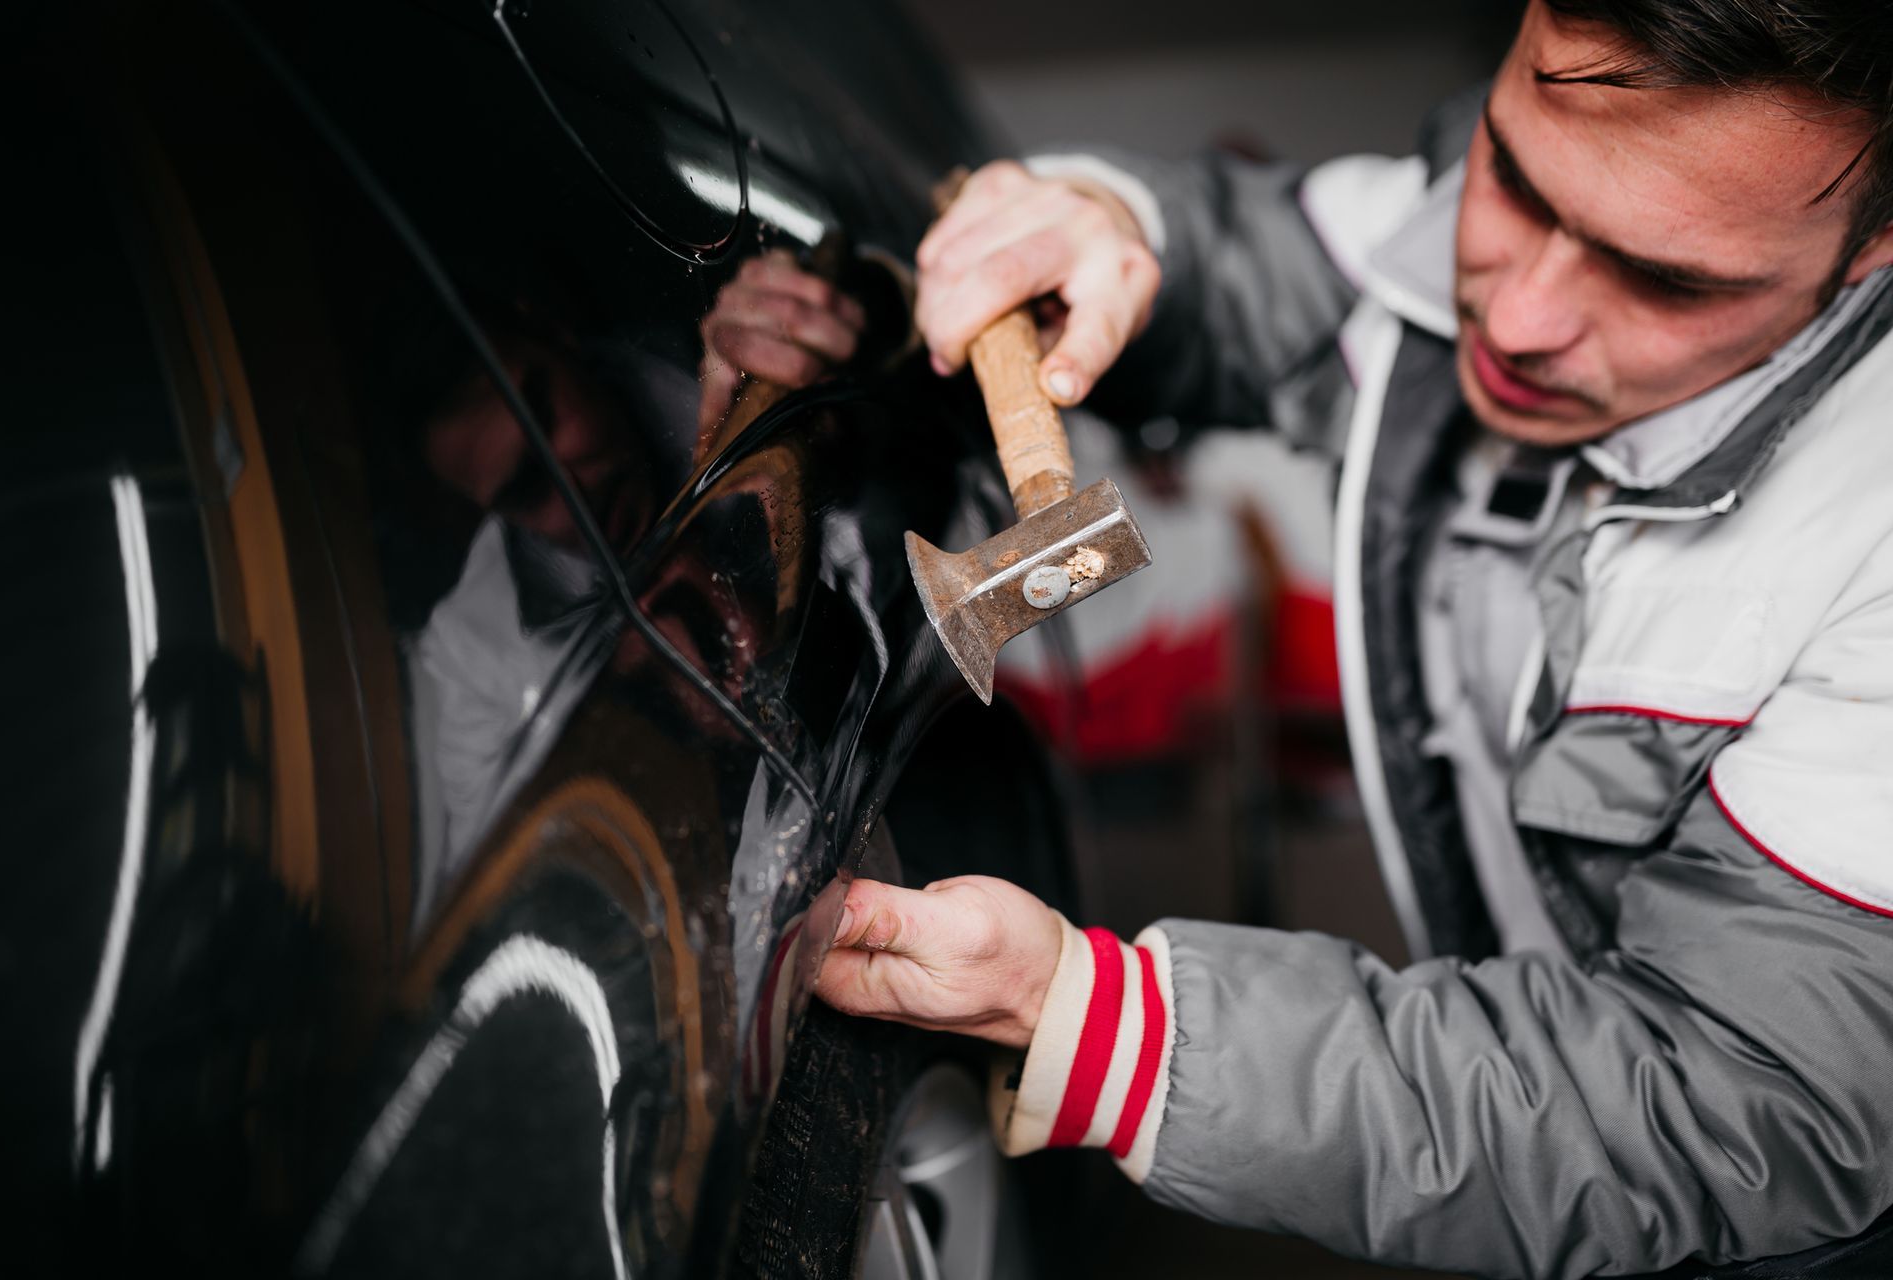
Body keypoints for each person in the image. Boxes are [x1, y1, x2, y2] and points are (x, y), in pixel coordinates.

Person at [804, 3, 1893, 1277]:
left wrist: (1105, 1021)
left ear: (1876, 252)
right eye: (1515, 176)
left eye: (1666, 279)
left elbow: (1736, 1103)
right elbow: (1238, 251)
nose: (1521, 316)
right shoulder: (1439, 227)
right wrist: (1095, 221)